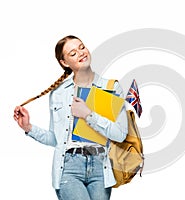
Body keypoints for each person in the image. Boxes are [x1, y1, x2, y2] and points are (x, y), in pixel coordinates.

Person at [13, 35, 128, 200]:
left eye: (81, 47)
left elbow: (120, 134)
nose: (81, 53)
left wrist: (88, 115)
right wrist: (28, 127)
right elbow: (55, 139)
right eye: (73, 53)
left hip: (101, 168)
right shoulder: (59, 93)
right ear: (64, 62)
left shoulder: (111, 87)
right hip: (69, 167)